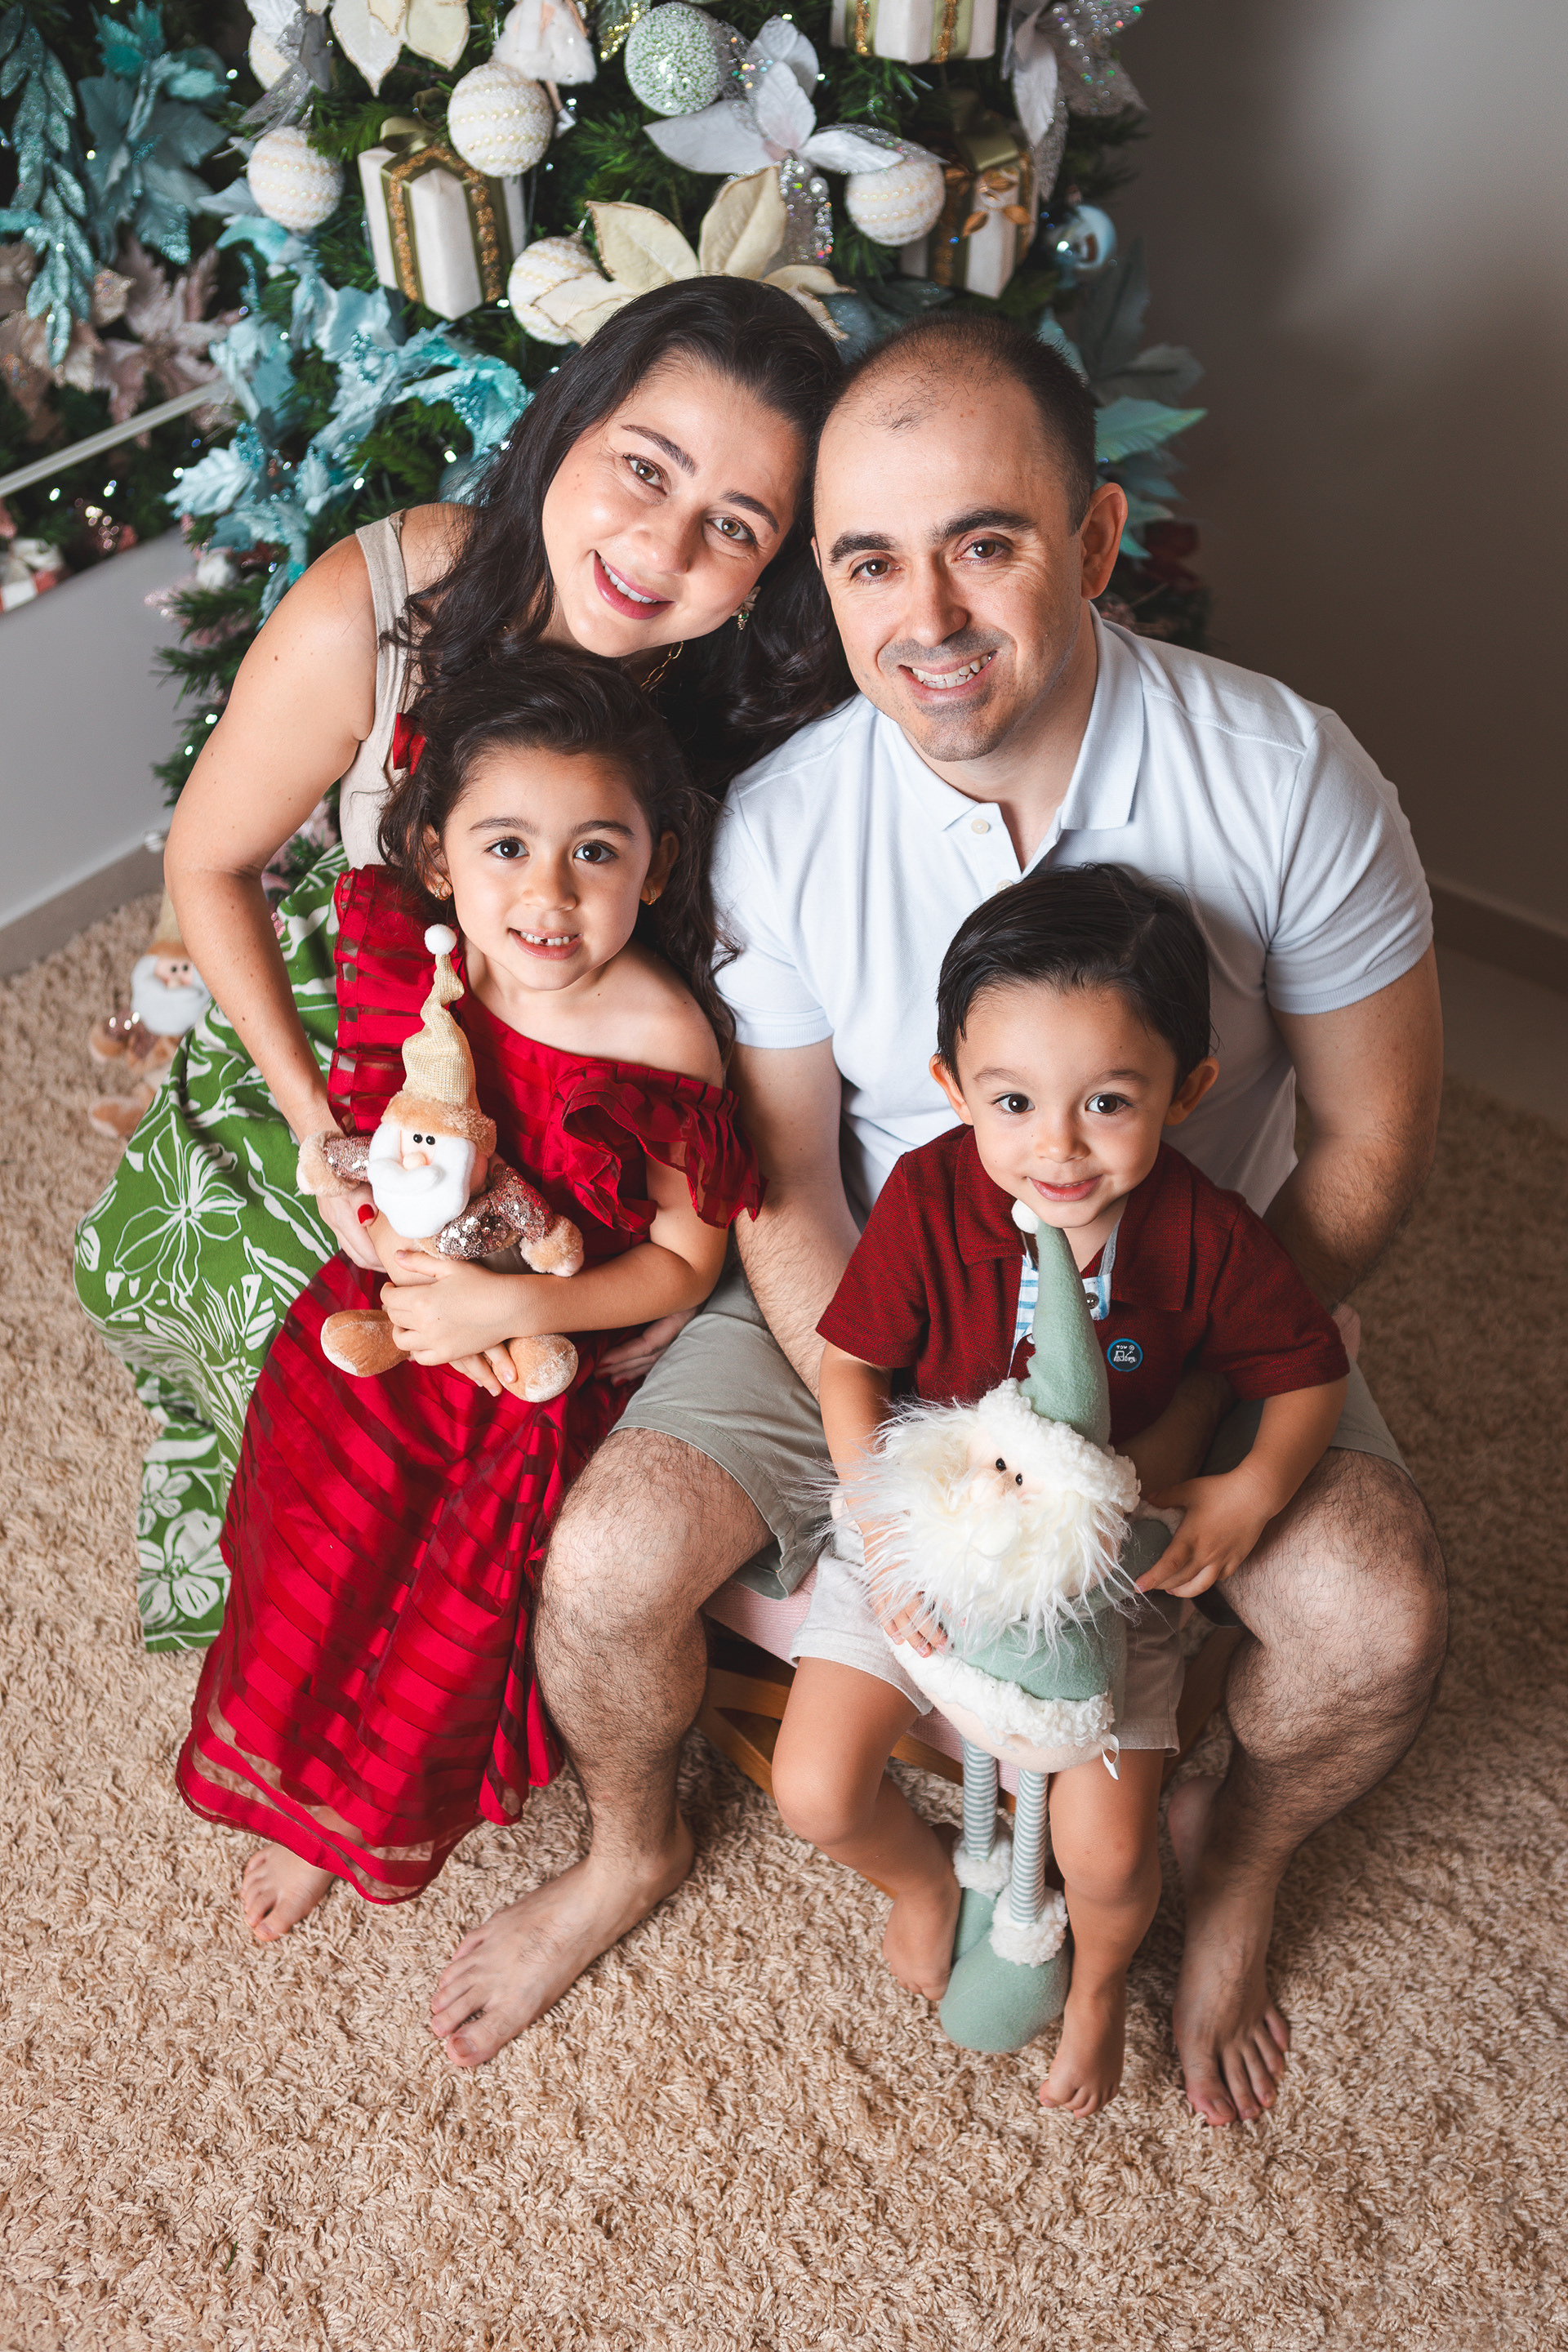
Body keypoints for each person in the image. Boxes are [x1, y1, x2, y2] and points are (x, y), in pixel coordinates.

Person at [435, 310, 1447, 2133]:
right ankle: (631, 1844)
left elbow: (1374, 1144)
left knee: (1378, 1625)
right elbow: (791, 1184)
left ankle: (1235, 1861)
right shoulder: (784, 826)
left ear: (1096, 539)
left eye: (984, 544)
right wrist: (891, 1475)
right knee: (606, 1567)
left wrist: (1175, 1413)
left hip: (1184, 1299)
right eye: (868, 561)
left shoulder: (1287, 775)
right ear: (821, 582)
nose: (929, 618)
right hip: (871, 1296)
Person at [73, 278, 844, 1653]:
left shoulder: (771, 718)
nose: (660, 546)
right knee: (332, 1347)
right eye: (644, 468)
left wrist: (606, 1282)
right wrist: (322, 1144)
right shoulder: (384, 601)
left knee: (572, 1416)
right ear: (570, 423)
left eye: (735, 525)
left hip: (613, 1114)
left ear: (772, 567)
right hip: (361, 1047)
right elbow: (208, 864)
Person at [177, 648, 761, 1949]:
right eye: (507, 848)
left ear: (655, 866)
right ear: (438, 860)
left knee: (428, 1626)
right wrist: (383, 1226)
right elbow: (379, 1136)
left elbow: (685, 1263)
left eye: (596, 852)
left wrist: (512, 1315)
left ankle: (361, 1814)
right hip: (388, 1325)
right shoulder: (422, 967)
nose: (549, 895)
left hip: (523, 1377)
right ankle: (298, 1794)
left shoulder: (663, 1037)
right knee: (310, 1556)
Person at [771, 866, 1350, 2116]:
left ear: (1186, 1092)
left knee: (1109, 1853)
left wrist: (1251, 1491)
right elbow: (853, 1367)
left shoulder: (1206, 1235)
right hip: (926, 1527)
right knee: (812, 1789)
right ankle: (929, 1882)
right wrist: (882, 1523)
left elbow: (1309, 1373)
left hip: (1099, 1575)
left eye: (1109, 1103)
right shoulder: (934, 1195)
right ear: (952, 1091)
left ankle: (1095, 1986)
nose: (1059, 1146)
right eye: (1014, 1102)